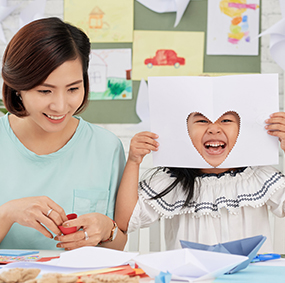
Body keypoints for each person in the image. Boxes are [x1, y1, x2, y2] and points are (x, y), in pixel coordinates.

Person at [0, 17, 127, 250]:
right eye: (45, 90)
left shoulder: (106, 147)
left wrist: (106, 229)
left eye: (73, 89)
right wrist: (7, 214)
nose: (60, 106)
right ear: (18, 87)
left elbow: (117, 247)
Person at [115, 111, 285, 253]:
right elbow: (125, 221)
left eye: (226, 120)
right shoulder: (170, 181)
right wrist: (133, 160)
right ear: (185, 129)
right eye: (202, 120)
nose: (213, 129)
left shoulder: (259, 176)